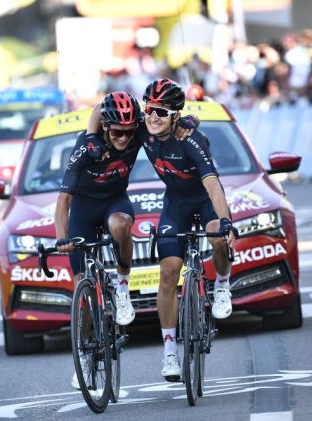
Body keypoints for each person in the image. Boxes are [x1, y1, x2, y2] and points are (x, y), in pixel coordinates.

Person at [59, 90, 197, 389]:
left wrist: (189, 119)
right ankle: (85, 355)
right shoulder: (86, 146)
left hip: (114, 201)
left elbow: (167, 122)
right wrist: (61, 238)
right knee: (81, 286)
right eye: (117, 132)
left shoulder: (137, 134)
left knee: (120, 225)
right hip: (83, 209)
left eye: (128, 131)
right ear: (106, 127)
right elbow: (63, 200)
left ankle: (122, 287)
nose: (123, 138)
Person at [129, 79, 238, 381]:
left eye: (161, 112)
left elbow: (213, 186)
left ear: (176, 115)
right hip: (175, 204)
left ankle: (223, 285)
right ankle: (169, 353)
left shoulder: (191, 140)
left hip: (203, 201)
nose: (152, 117)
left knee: (217, 235)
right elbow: (104, 114)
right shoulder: (144, 129)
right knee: (168, 271)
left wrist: (226, 221)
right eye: (149, 109)